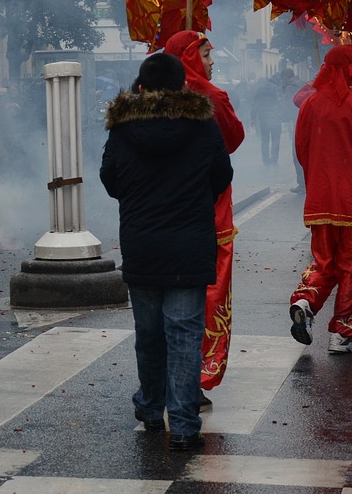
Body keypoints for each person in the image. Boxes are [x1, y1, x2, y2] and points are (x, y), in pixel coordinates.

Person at [100, 53, 232, 451]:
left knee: (150, 333)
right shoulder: (202, 125)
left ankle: (150, 406)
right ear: (182, 86)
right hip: (189, 244)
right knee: (185, 334)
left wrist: (140, 201)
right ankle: (185, 423)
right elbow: (221, 176)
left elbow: (110, 179)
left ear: (140, 87)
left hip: (142, 244)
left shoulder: (123, 129)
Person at [288, 45, 352, 354]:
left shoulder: (310, 105)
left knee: (324, 262)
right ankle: (344, 331)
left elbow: (301, 149)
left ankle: (306, 299)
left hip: (320, 198)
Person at [163, 30, 243, 400]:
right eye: (207, 55)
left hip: (159, 214)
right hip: (208, 210)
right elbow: (233, 139)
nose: (213, 63)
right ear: (193, 58)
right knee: (209, 290)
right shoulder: (212, 98)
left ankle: (163, 377)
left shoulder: (147, 100)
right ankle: (198, 373)